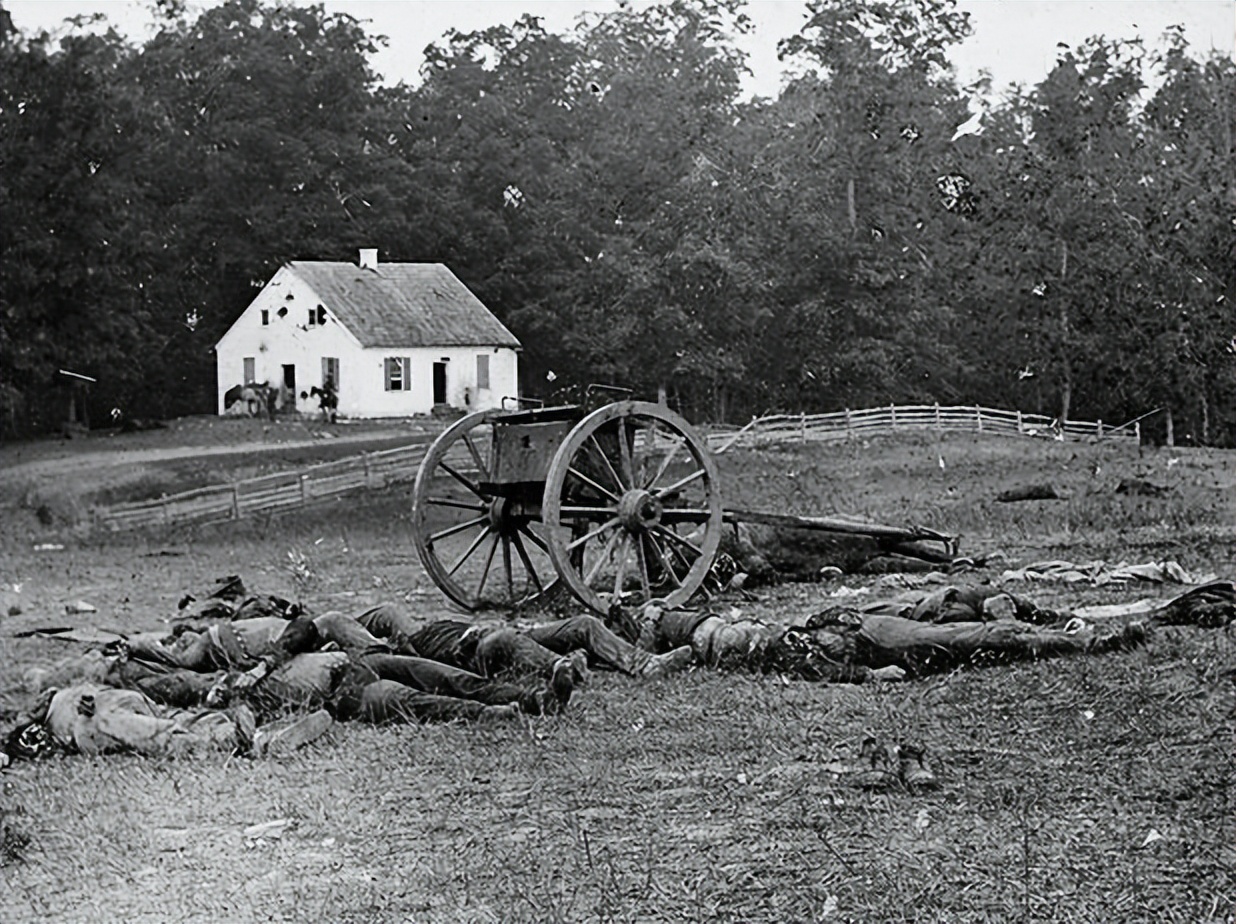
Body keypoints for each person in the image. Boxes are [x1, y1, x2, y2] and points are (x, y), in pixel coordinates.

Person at [636, 583, 1151, 681]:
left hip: (860, 629)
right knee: (967, 638)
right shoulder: (707, 643)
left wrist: (863, 673)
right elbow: (811, 661)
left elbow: (809, 655)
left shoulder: (701, 631)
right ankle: (1079, 640)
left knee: (964, 633)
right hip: (860, 636)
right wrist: (868, 674)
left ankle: (1076, 638)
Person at [352, 603, 694, 682]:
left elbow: (382, 615)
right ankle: (567, 668)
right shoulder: (406, 653)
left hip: (500, 633)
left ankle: (645, 664)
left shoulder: (413, 626)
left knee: (584, 623)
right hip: (480, 653)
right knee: (501, 639)